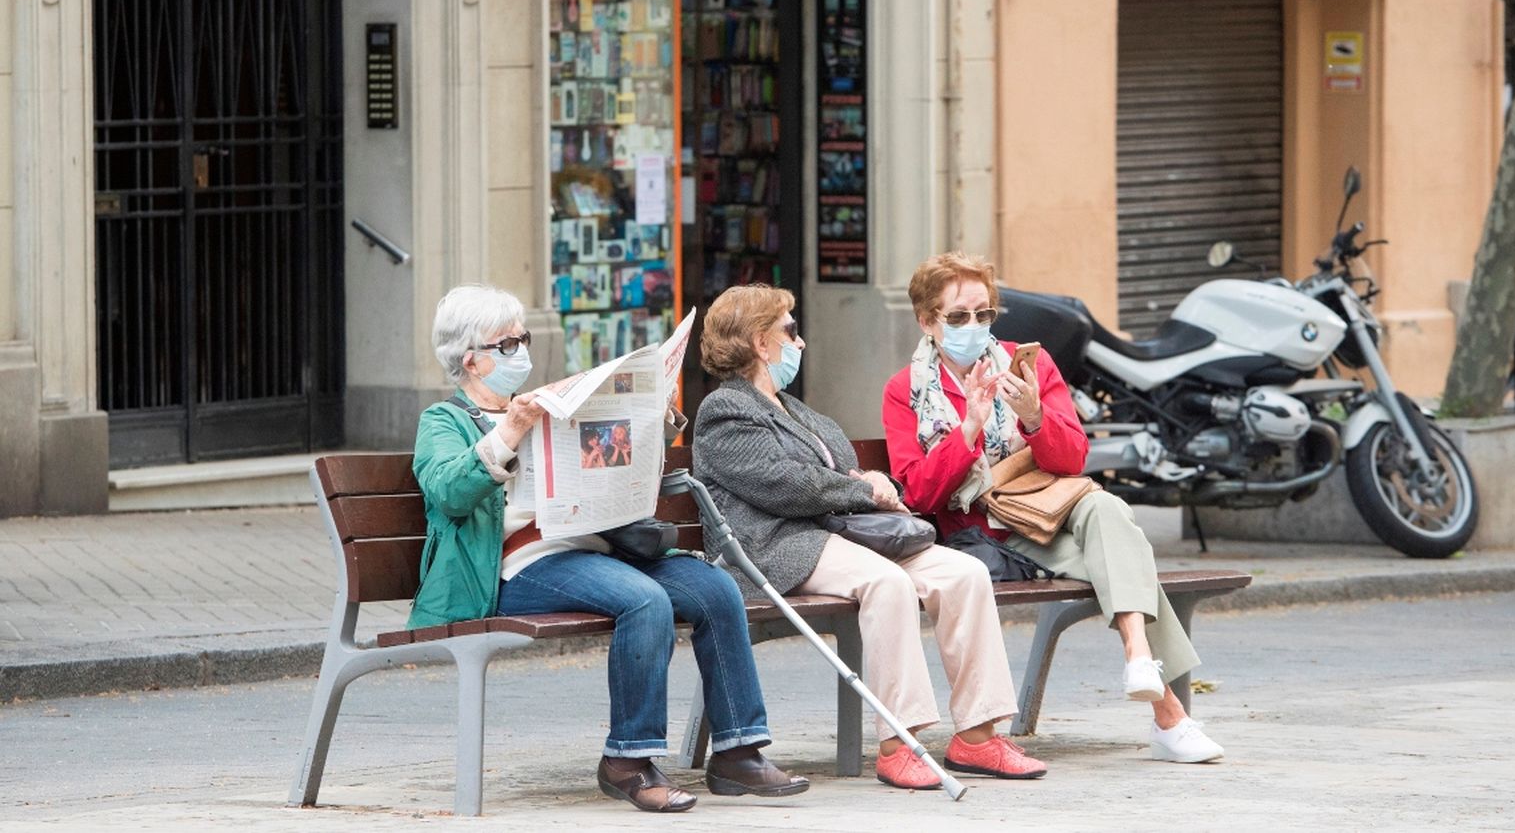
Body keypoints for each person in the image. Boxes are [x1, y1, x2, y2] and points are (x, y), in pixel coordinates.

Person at [409, 284, 808, 813]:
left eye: (522, 338)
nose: (521, 352)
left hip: (596, 545)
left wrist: (653, 418)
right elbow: (447, 493)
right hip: (518, 567)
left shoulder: (550, 407)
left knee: (714, 588)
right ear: (471, 361)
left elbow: (616, 468)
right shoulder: (445, 422)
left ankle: (738, 751)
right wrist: (508, 432)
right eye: (506, 345)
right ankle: (628, 759)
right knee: (644, 600)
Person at [692, 284, 1047, 790]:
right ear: (759, 343)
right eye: (790, 330)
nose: (801, 342)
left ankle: (978, 734)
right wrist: (864, 488)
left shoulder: (795, 408)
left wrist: (872, 484)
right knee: (887, 583)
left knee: (964, 573)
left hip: (836, 536)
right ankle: (900, 745)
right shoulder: (725, 409)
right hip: (775, 548)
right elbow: (782, 484)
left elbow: (840, 472)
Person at [881, 253, 1225, 764]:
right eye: (957, 317)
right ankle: (1168, 714)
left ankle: (1137, 657)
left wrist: (1035, 417)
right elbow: (919, 496)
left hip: (1048, 510)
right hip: (983, 535)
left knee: (1106, 510)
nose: (973, 327)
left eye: (984, 314)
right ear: (928, 322)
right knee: (1121, 555)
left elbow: (1074, 458)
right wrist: (969, 429)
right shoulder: (904, 390)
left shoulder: (1028, 364)